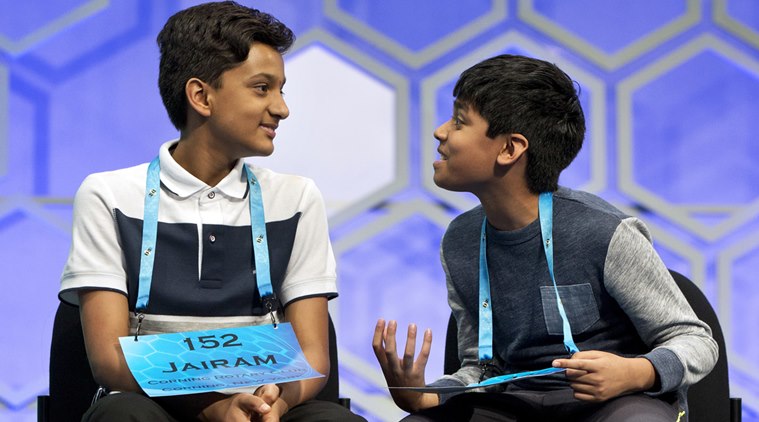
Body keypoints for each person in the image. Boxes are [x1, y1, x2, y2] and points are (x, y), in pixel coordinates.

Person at [58, 2, 365, 421]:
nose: (281, 108)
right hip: (156, 407)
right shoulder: (109, 195)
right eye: (262, 88)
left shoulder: (296, 199)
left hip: (263, 406)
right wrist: (213, 408)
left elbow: (313, 357)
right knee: (124, 415)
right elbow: (110, 361)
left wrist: (274, 403)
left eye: (282, 90)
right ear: (201, 96)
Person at [372, 54, 718, 421]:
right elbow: (478, 367)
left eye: (459, 122)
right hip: (511, 401)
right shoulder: (460, 239)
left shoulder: (603, 231)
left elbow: (696, 341)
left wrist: (635, 372)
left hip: (612, 403)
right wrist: (426, 397)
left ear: (510, 149)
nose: (440, 132)